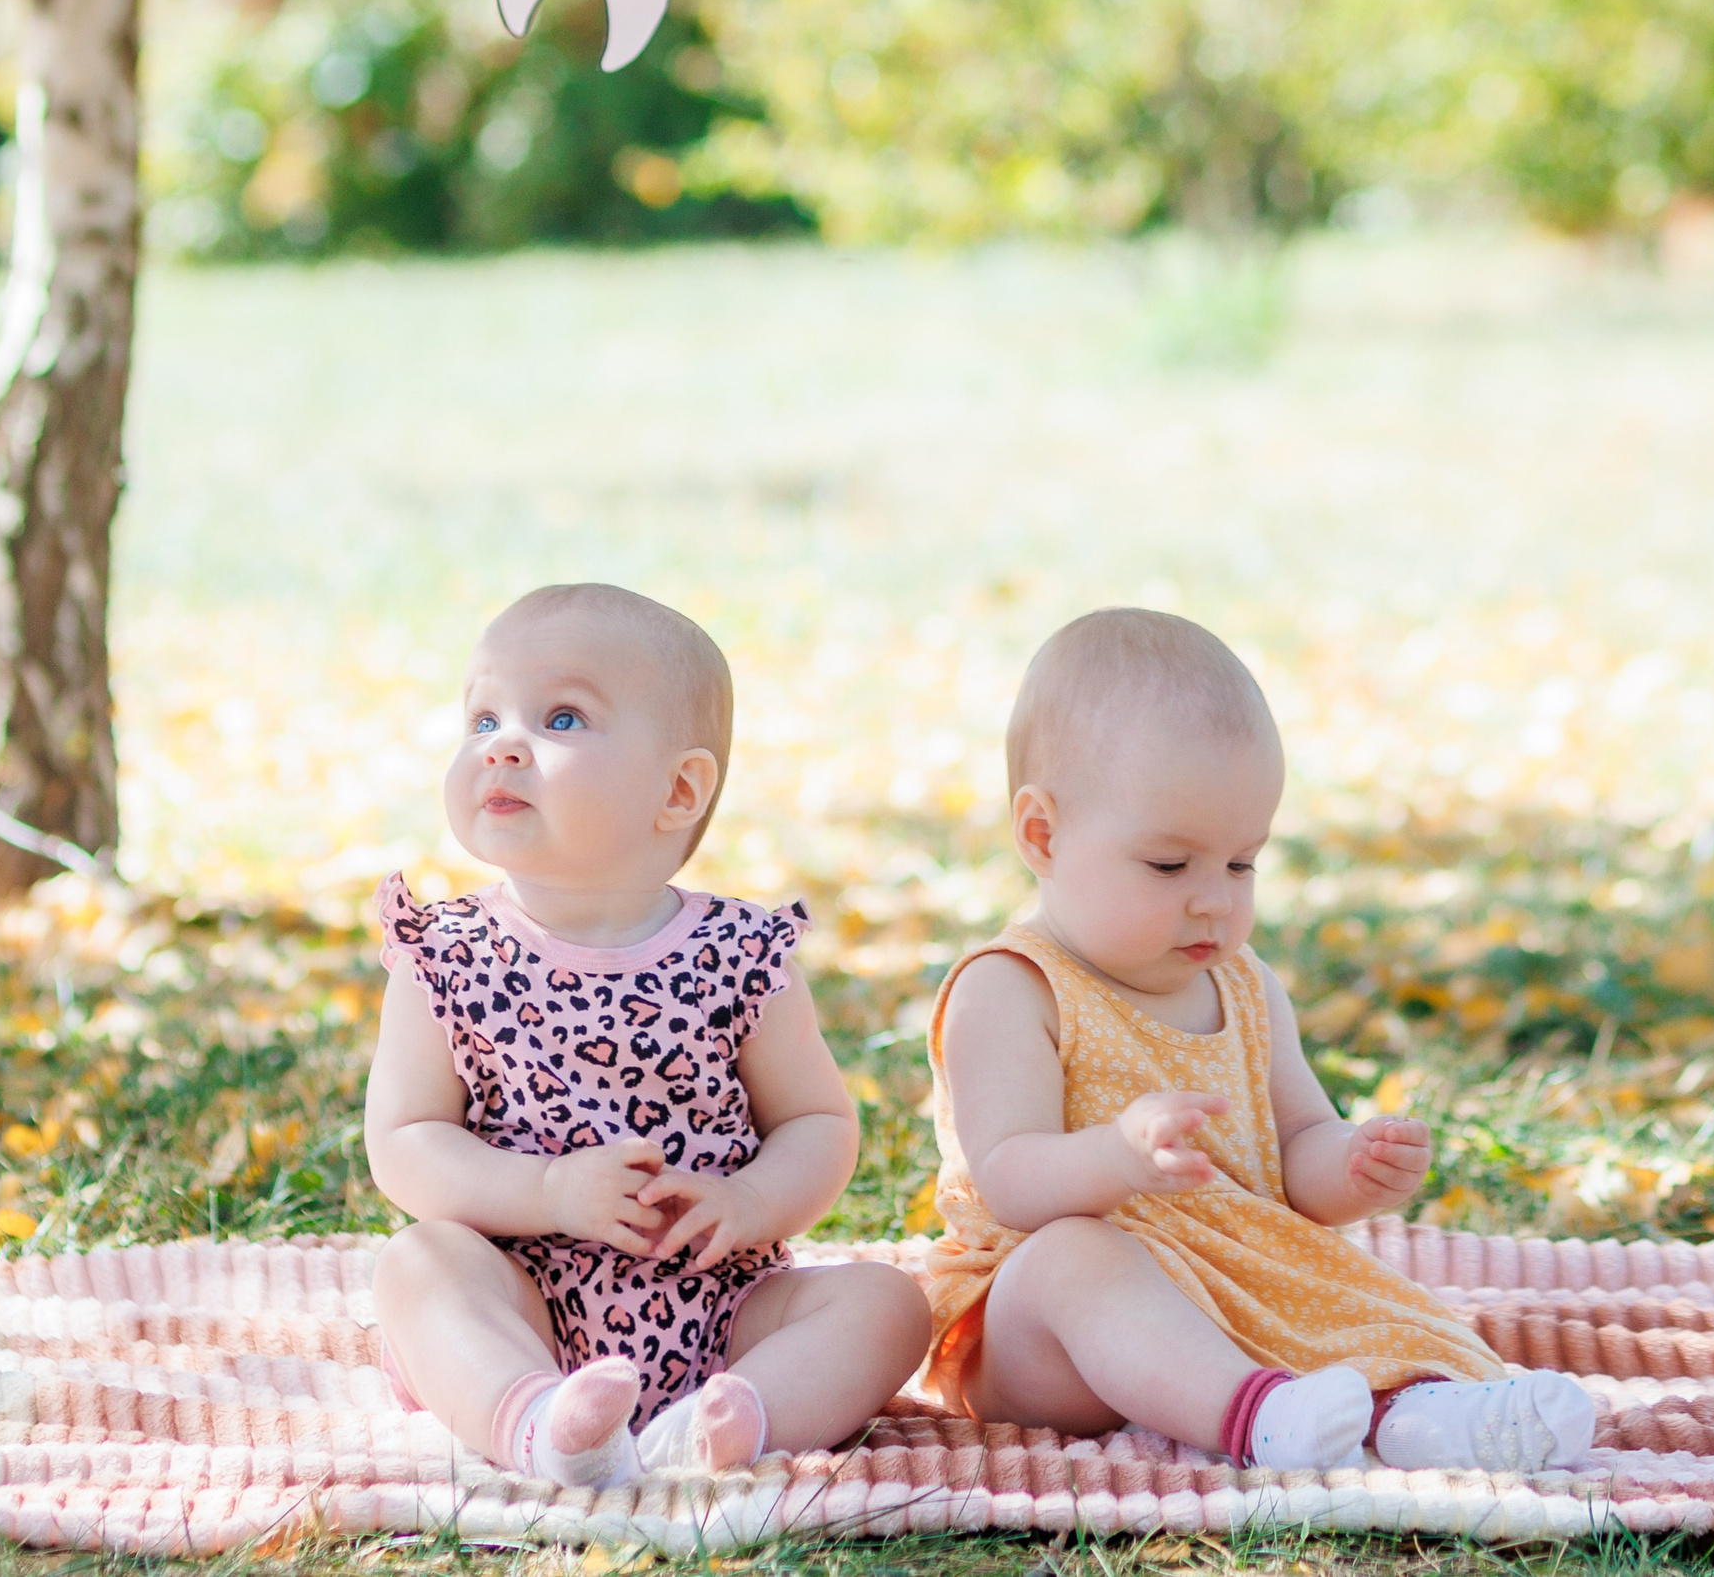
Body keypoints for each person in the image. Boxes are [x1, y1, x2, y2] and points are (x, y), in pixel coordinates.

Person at [923, 608, 1597, 1473]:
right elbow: (1010, 1179)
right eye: (1171, 865)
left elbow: (1296, 1158)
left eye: (1241, 863)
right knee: (1074, 1256)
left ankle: (1416, 1416)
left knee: (1349, 1298)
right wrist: (1117, 1156)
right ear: (1043, 835)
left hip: (1232, 1283)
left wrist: (1352, 1164)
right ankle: (1259, 1418)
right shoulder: (1014, 986)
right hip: (1039, 1328)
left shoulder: (1245, 987)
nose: (1214, 899)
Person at [365, 583, 930, 1486]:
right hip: (525, 1298)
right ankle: (543, 1423)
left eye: (559, 717)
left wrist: (747, 1204)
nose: (503, 744)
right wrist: (548, 1191)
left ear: (677, 789)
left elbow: (818, 1123)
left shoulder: (741, 955)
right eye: (481, 719)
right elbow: (404, 1142)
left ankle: (730, 1422)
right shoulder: (446, 955)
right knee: (419, 1265)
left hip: (723, 1303)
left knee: (891, 1302)